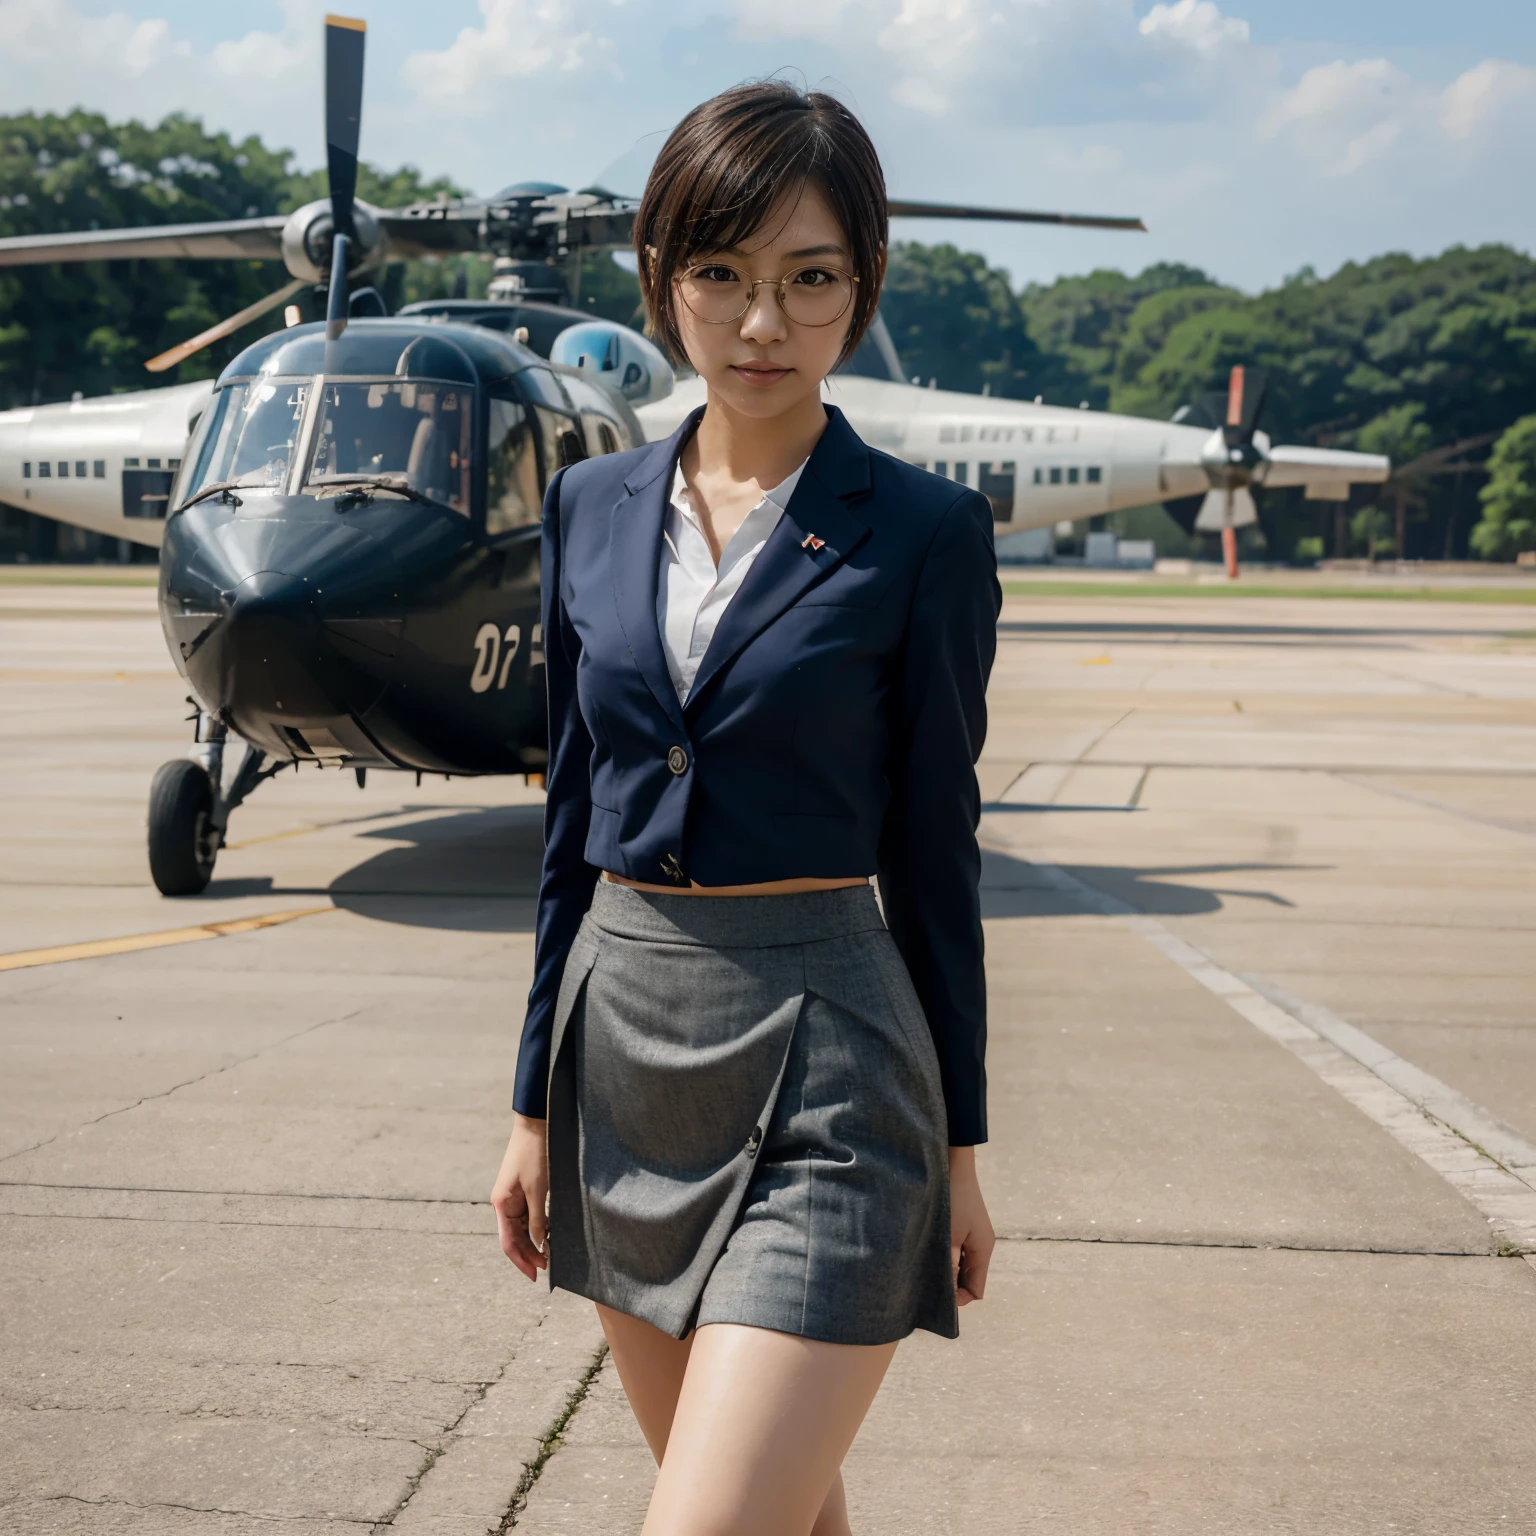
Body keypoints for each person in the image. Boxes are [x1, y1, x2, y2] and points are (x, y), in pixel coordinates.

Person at [490, 80, 1001, 1536]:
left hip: (835, 1069)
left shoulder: (924, 533)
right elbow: (568, 826)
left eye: (810, 279)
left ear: (864, 290)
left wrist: (963, 1149)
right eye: (721, 273)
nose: (761, 322)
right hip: (624, 1054)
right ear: (662, 280)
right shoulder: (590, 511)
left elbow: (934, 855)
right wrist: (532, 1103)